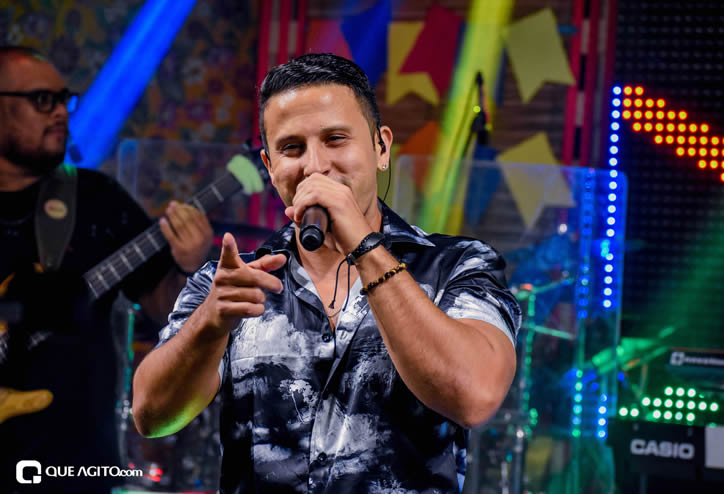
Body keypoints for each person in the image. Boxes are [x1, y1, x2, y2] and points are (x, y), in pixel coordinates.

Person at [133, 53, 521, 493]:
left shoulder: (458, 265)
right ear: (270, 167)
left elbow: (475, 396)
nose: (315, 165)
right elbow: (151, 416)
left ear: (381, 148)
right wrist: (209, 323)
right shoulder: (233, 281)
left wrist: (364, 246)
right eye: (291, 148)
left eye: (335, 139)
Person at [0, 46, 214, 493]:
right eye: (43, 100)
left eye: (64, 99)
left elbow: (164, 307)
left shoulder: (98, 199)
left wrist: (190, 265)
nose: (60, 112)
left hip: (75, 464)